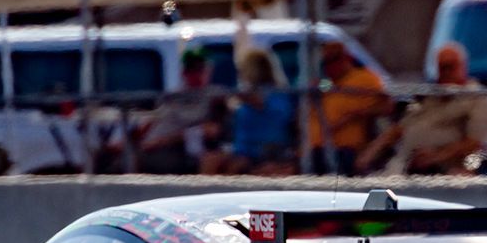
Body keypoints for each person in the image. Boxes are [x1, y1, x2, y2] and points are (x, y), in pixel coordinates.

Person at [356, 42, 487, 175]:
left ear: (463, 67)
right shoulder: (431, 97)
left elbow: (475, 144)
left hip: (444, 169)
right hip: (404, 164)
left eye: (450, 66)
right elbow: (399, 129)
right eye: (442, 67)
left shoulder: (476, 97)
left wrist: (436, 156)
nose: (446, 72)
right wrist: (370, 153)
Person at [203, 47, 298, 176]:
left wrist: (239, 96)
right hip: (241, 149)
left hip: (265, 149)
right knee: (210, 160)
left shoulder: (277, 93)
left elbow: (263, 105)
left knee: (235, 167)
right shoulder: (245, 95)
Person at [134, 49, 226, 174]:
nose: (197, 74)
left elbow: (212, 130)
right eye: (192, 69)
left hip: (174, 149)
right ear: (184, 72)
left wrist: (161, 141)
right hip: (150, 147)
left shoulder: (215, 96)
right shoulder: (172, 96)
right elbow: (154, 118)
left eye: (201, 69)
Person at [307, 40, 389, 175]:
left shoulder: (365, 78)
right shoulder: (328, 83)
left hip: (345, 149)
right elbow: (321, 90)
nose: (329, 66)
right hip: (316, 148)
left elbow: (386, 106)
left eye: (333, 61)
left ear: (345, 58)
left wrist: (353, 115)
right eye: (326, 62)